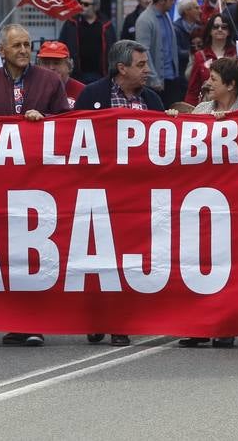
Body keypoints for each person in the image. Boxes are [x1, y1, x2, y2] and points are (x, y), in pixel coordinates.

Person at [0, 24, 68, 348]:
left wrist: (44, 121)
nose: (24, 50)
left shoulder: (50, 81)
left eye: (27, 45)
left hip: (39, 181)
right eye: (17, 45)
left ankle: (34, 321)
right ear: (1, 51)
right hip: (0, 183)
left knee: (34, 252)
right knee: (6, 254)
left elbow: (68, 126)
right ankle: (12, 320)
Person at [73, 39, 161, 348]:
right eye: (140, 65)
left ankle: (120, 321)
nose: (147, 70)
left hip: (138, 195)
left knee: (128, 259)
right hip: (99, 193)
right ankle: (99, 318)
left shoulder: (152, 99)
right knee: (99, 261)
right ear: (121, 68)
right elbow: (73, 138)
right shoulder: (92, 95)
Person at [174, 56, 238, 351]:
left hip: (236, 203)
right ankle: (198, 325)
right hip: (202, 201)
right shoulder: (203, 109)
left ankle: (226, 325)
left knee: (229, 265)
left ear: (231, 85)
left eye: (214, 80)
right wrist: (174, 121)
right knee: (200, 264)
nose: (207, 83)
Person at [136, 0, 182, 107]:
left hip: (171, 77)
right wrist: (153, 78)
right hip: (156, 83)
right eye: (171, 0)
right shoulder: (145, 20)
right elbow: (143, 50)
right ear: (162, 0)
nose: (173, 3)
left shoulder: (166, 16)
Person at [60, 0, 117, 84]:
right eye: (80, 3)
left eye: (86, 4)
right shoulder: (71, 23)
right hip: (77, 74)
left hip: (100, 74)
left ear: (95, 7)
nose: (82, 6)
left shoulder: (106, 24)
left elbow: (113, 47)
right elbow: (62, 44)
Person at [185, 15, 237, 105]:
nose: (220, 29)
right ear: (210, 30)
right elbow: (193, 89)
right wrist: (188, 110)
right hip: (207, 107)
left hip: (233, 107)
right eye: (215, 27)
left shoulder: (237, 53)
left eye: (224, 27)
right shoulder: (200, 56)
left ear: (229, 31)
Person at [37, 40, 86, 105]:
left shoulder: (83, 92)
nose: (51, 68)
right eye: (46, 63)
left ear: (68, 66)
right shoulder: (31, 90)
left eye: (56, 63)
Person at [173, 0, 203, 80]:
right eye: (196, 8)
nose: (200, 11)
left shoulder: (200, 29)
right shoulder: (175, 29)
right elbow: (175, 51)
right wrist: (193, 54)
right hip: (180, 75)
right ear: (186, 11)